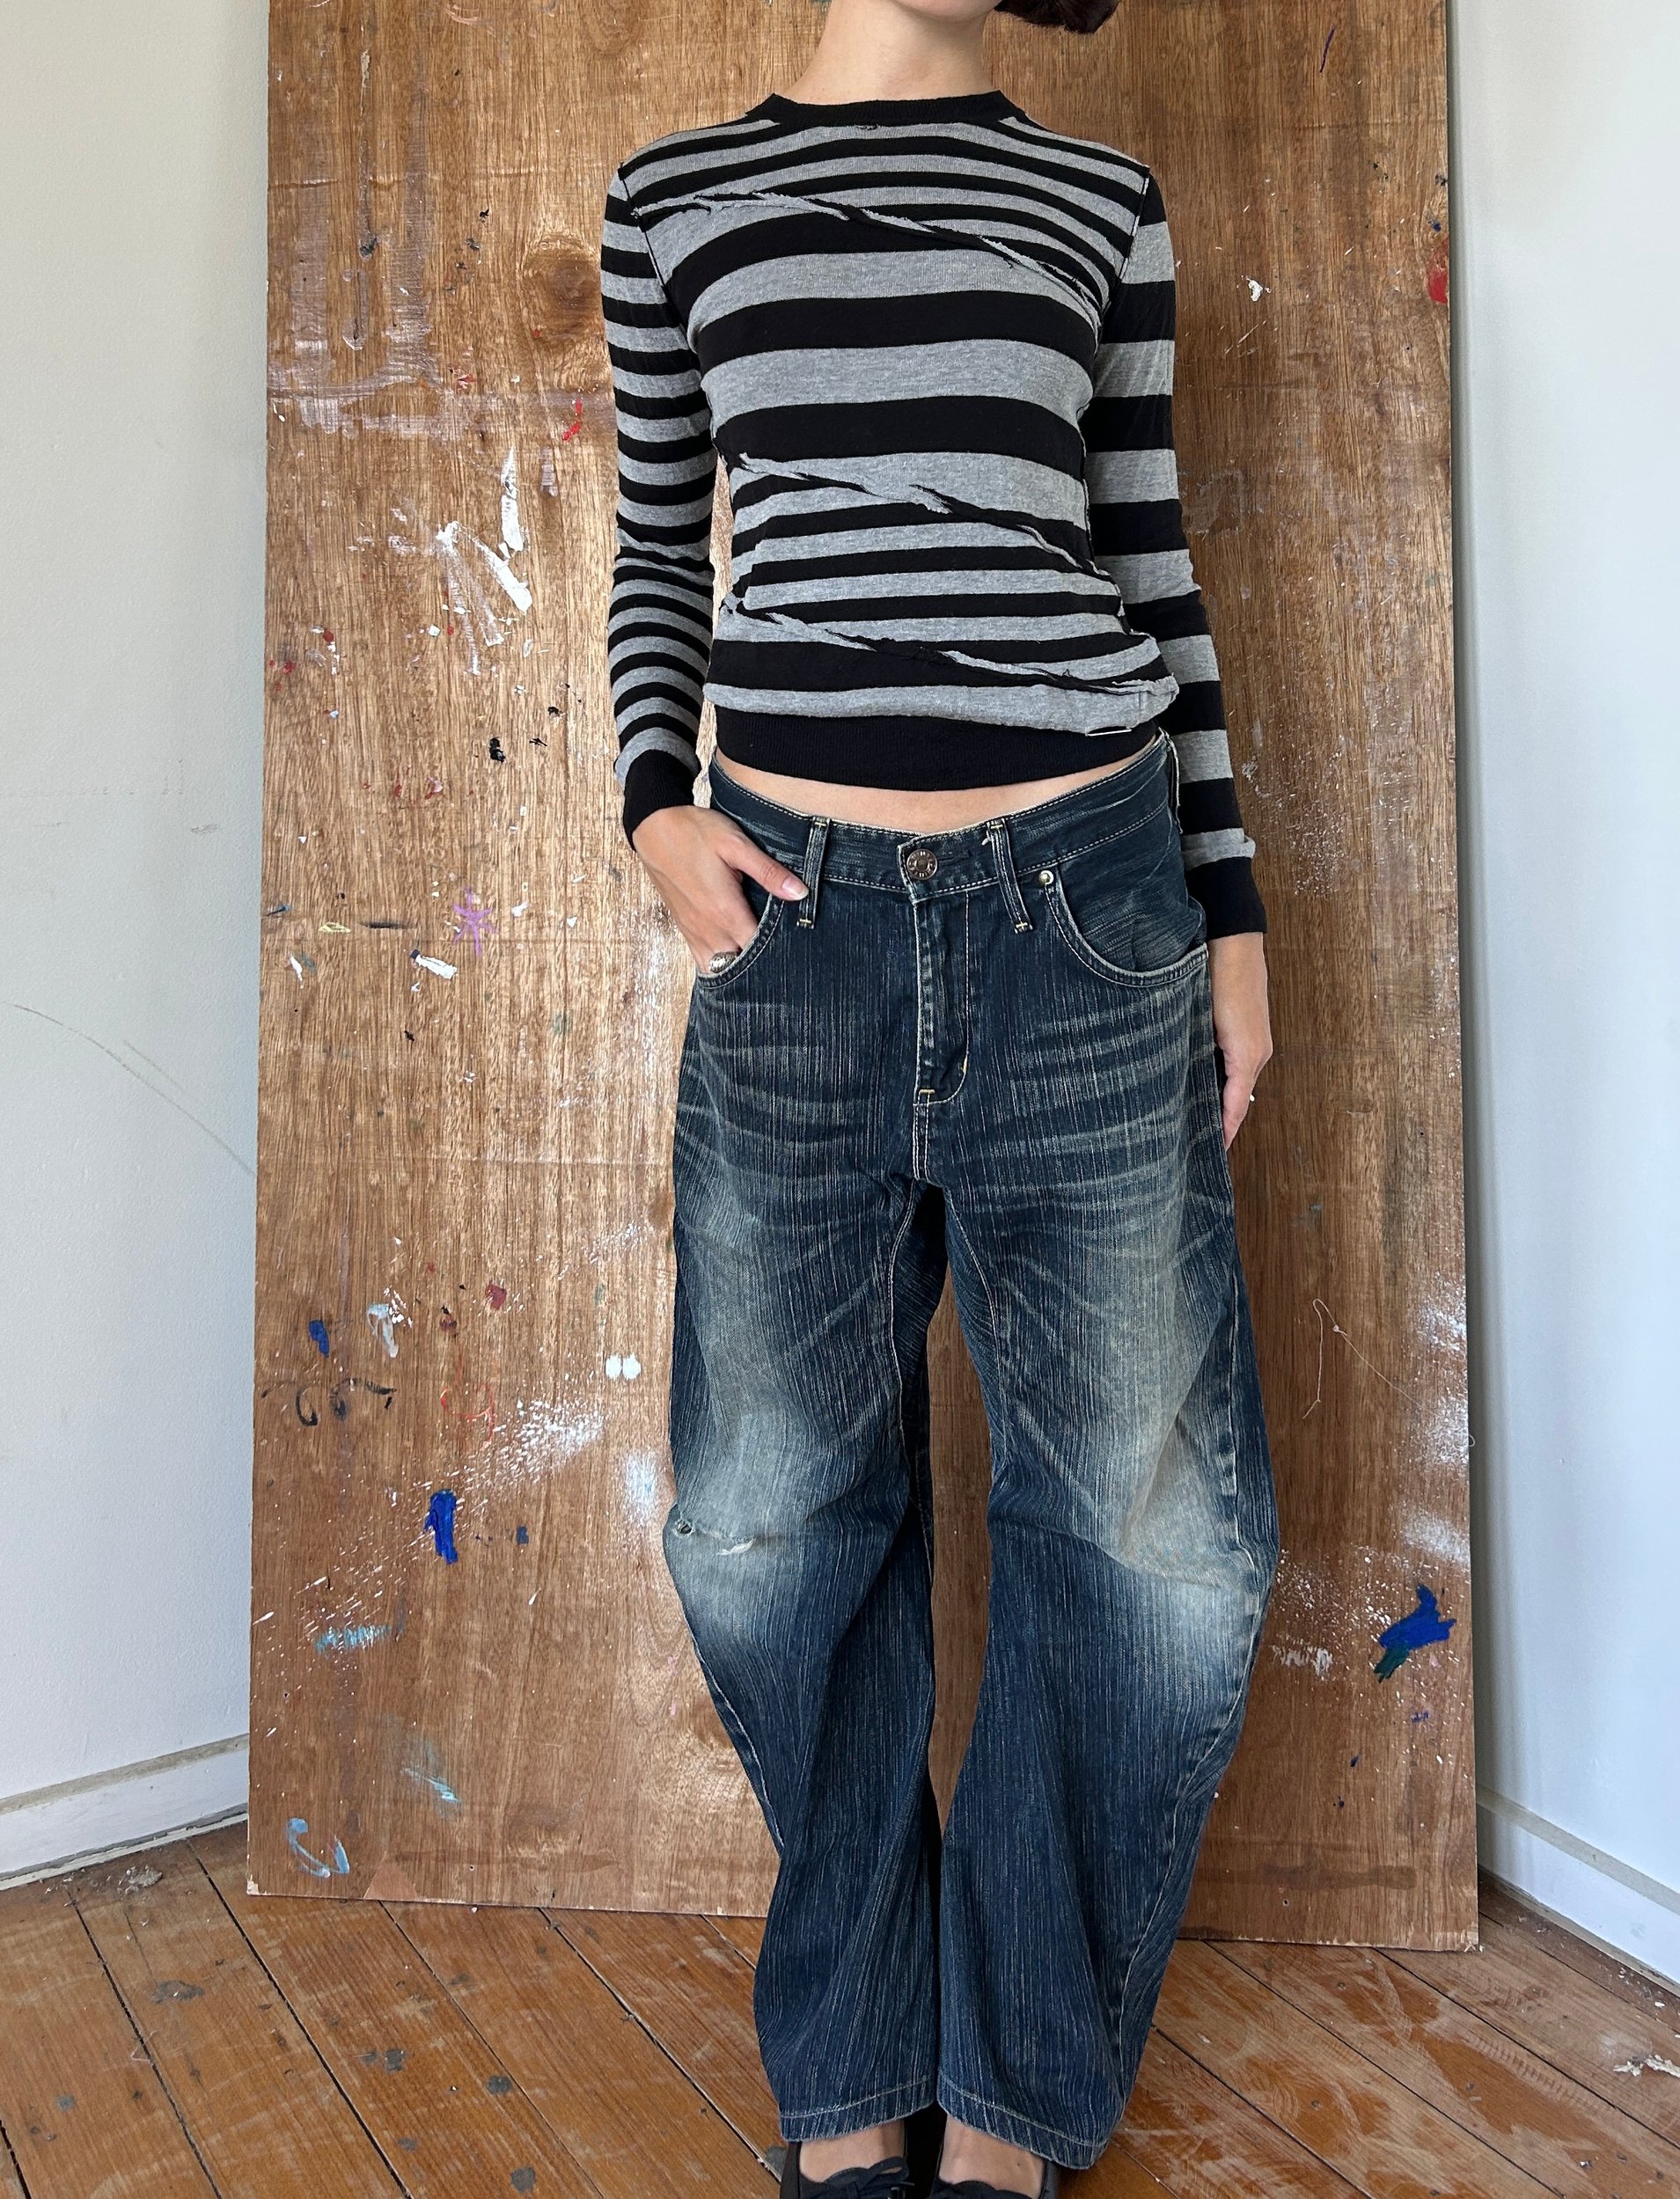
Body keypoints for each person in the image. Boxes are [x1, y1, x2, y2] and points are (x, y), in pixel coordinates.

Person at [597, 0, 1281, 2188]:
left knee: (1147, 1536)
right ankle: (856, 2056)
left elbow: (1149, 570)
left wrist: (1231, 912)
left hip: (1088, 905)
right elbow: (657, 547)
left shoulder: (1096, 199)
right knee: (765, 1519)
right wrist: (649, 801)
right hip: (793, 930)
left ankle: (1002, 2099)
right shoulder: (671, 201)